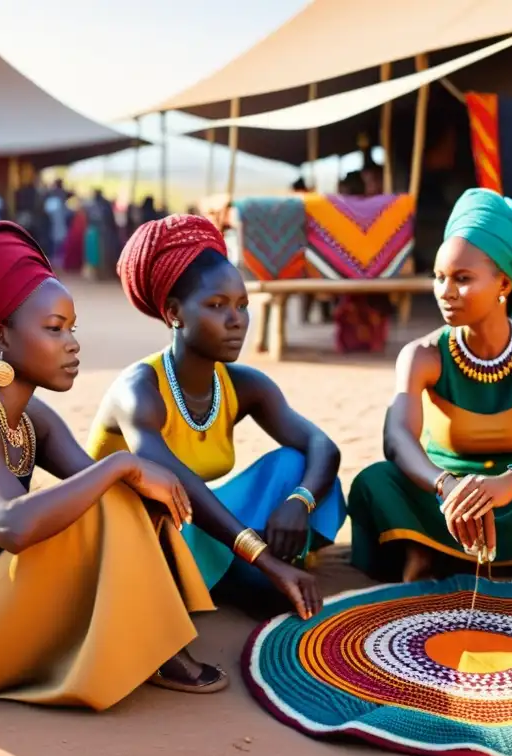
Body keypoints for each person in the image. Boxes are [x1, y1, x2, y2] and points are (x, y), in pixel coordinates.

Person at [0, 221, 229, 710]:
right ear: (1, 333)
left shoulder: (30, 418)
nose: (73, 343)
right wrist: (122, 466)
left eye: (72, 328)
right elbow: (10, 523)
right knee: (112, 485)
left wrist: (127, 476)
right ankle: (155, 643)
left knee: (119, 495)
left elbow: (108, 497)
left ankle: (159, 632)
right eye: (54, 328)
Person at [347, 188, 512, 584]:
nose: (445, 291)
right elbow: (398, 437)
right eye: (439, 278)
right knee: (376, 480)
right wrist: (446, 485)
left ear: (504, 283)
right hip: (444, 503)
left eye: (462, 278)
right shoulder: (422, 354)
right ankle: (425, 556)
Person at [87, 214, 346, 619]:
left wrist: (299, 500)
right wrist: (261, 556)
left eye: (242, 305)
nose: (237, 320)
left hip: (201, 525)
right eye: (216, 305)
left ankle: (239, 565)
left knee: (297, 466)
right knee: (267, 592)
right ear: (175, 313)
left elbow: (321, 446)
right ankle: (240, 569)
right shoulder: (139, 390)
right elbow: (178, 488)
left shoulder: (244, 385)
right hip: (144, 536)